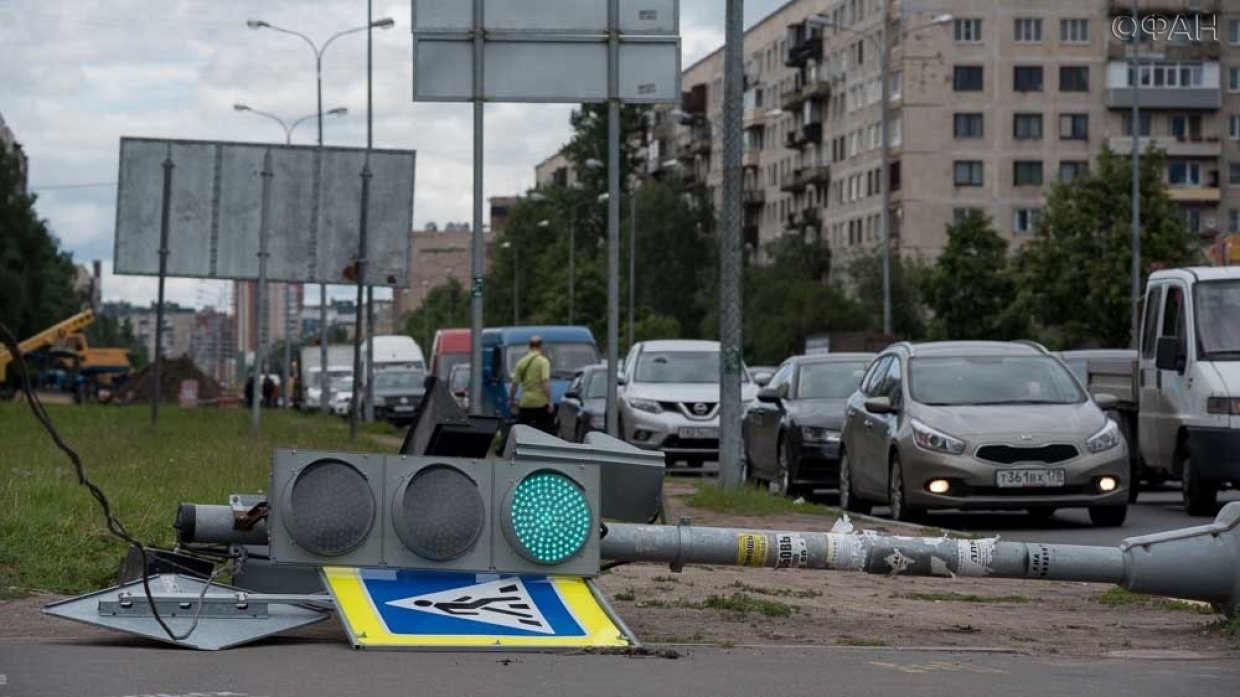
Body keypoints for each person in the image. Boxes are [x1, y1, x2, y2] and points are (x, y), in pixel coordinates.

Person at [510, 335, 555, 434]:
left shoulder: (521, 362)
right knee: (546, 431)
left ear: (529, 346)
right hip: (540, 403)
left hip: (525, 402)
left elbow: (515, 383)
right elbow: (545, 382)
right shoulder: (543, 362)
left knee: (521, 431)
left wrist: (512, 399)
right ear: (541, 346)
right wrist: (550, 401)